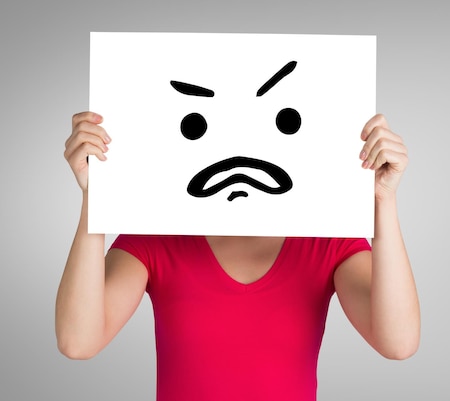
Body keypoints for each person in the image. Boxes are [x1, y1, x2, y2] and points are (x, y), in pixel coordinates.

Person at [56, 111, 420, 401]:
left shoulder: (325, 241)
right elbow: (79, 341)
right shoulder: (158, 234)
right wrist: (97, 198)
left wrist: (382, 200)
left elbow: (398, 342)